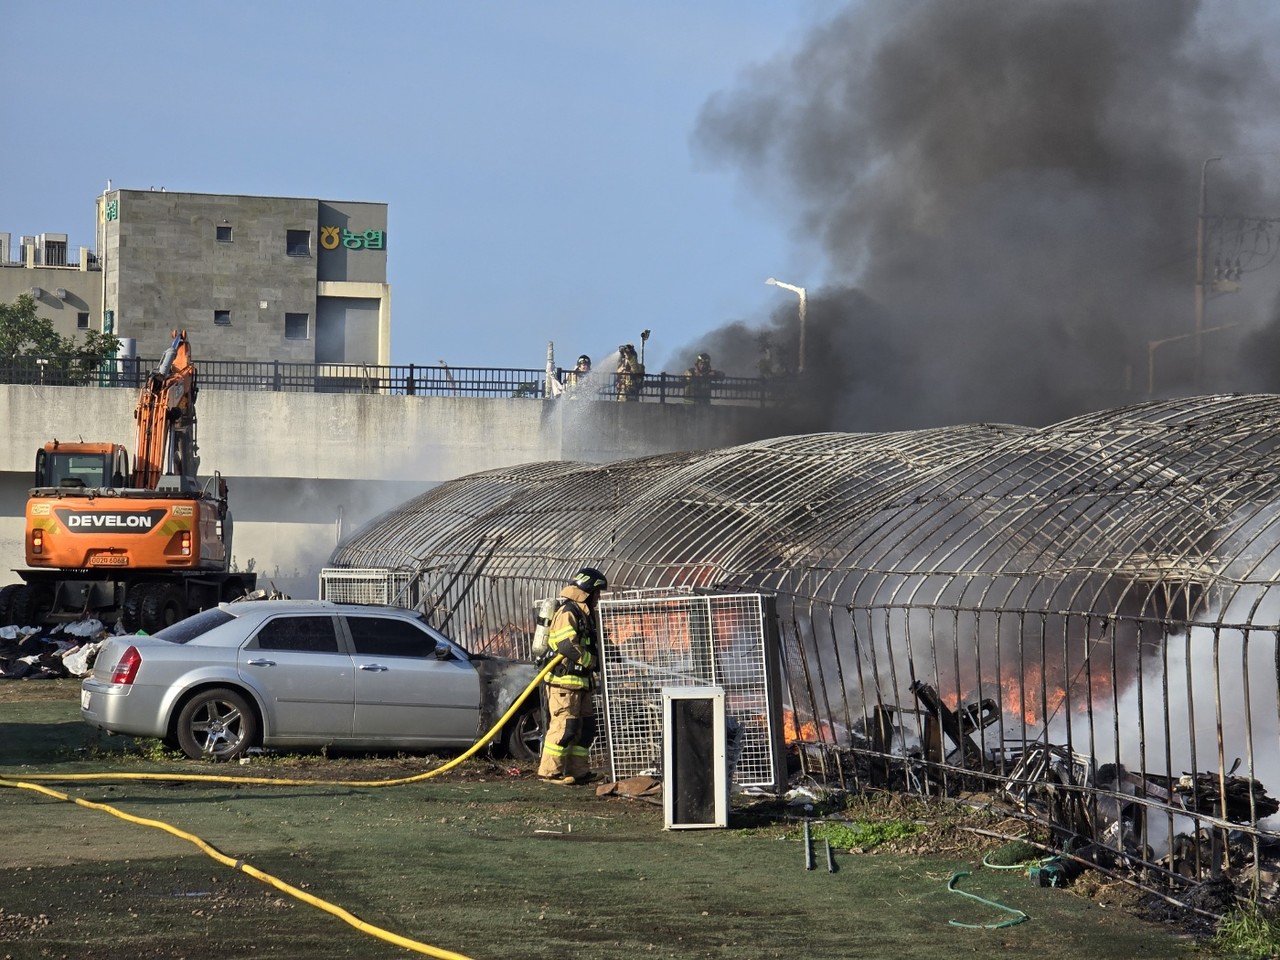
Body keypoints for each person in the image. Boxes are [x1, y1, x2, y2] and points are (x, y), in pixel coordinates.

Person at [537, 565, 608, 785]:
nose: (597, 598)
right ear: (586, 592)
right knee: (563, 728)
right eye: (596, 593)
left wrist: (610, 654)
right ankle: (549, 773)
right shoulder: (568, 613)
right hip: (564, 685)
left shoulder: (586, 615)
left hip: (582, 684)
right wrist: (591, 661)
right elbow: (567, 645)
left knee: (585, 730)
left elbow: (592, 643)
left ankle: (579, 772)